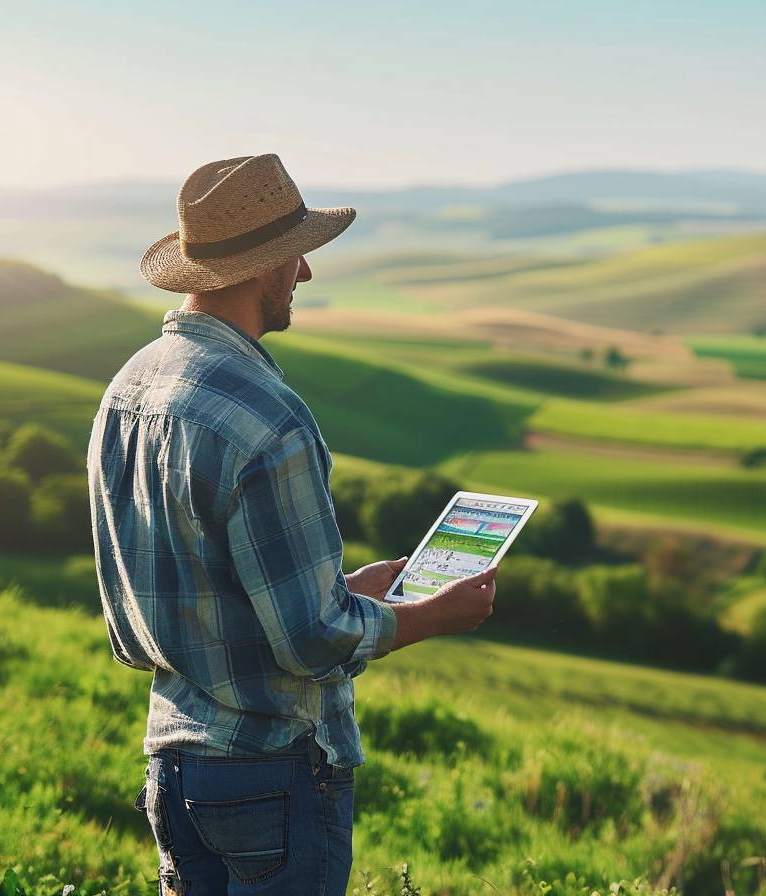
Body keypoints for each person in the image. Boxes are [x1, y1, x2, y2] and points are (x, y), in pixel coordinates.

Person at [88, 154, 497, 896]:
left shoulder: (127, 389)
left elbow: (160, 610)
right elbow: (311, 642)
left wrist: (339, 590)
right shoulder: (268, 418)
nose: (304, 274)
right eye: (294, 256)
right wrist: (430, 617)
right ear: (263, 269)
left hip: (172, 767)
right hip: (274, 771)